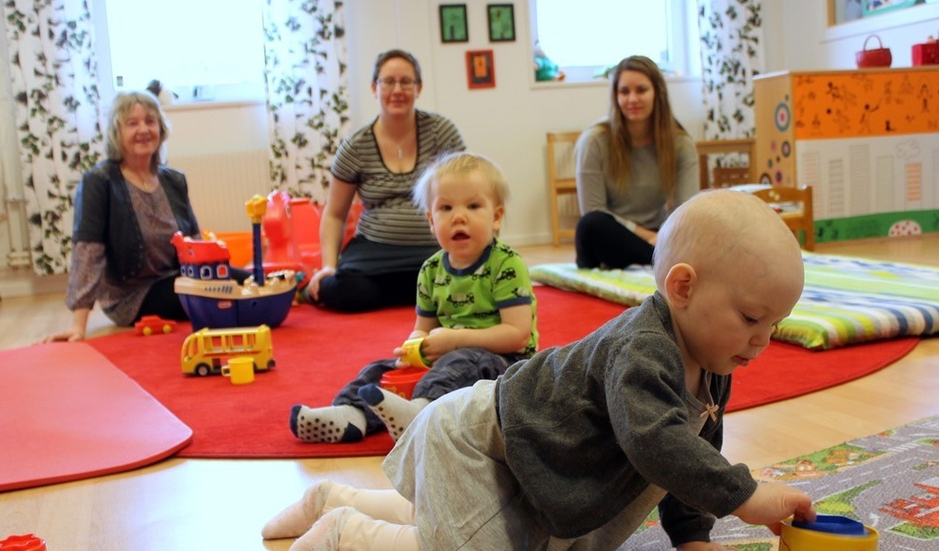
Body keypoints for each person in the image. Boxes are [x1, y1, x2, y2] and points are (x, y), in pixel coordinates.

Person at [266, 189, 816, 550]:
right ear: (683, 287)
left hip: (535, 457)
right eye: (751, 318)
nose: (763, 341)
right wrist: (745, 494)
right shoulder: (644, 348)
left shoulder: (715, 361)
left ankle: (337, 498)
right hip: (474, 438)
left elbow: (693, 458)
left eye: (774, 325)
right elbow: (658, 443)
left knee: (512, 534)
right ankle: (344, 531)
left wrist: (692, 537)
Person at [289, 151, 537, 445]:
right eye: (446, 208)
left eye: (473, 206)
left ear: (496, 217)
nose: (459, 216)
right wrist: (414, 348)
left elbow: (517, 336)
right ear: (431, 221)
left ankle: (420, 412)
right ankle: (350, 413)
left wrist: (456, 340)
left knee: (462, 363)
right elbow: (424, 326)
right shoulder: (431, 270)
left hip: (505, 363)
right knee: (382, 369)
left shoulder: (506, 264)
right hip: (448, 354)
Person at [42, 91, 242, 342]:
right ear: (117, 132)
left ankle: (298, 288)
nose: (143, 129)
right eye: (132, 123)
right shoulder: (99, 182)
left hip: (178, 280)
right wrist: (78, 326)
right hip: (132, 296)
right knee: (220, 292)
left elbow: (195, 242)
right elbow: (88, 252)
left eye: (150, 121)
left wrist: (216, 272)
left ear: (161, 128)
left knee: (245, 280)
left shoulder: (173, 180)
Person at [305, 49, 466, 313]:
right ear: (374, 87)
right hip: (374, 250)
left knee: (469, 283)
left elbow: (466, 191)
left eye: (406, 82)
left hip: (433, 246)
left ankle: (412, 289)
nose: (397, 90)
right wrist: (329, 266)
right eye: (388, 81)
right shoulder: (355, 146)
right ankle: (420, 291)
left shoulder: (441, 132)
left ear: (419, 88)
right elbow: (334, 214)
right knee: (342, 290)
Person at [575, 55, 699, 270]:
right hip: (614, 235)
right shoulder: (595, 140)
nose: (632, 99)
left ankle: (660, 260)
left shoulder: (680, 144)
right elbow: (593, 210)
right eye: (624, 92)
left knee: (698, 225)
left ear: (657, 94)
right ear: (616, 96)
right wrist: (648, 237)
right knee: (590, 225)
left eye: (641, 90)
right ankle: (659, 261)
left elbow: (686, 211)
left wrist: (663, 236)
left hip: (661, 235)